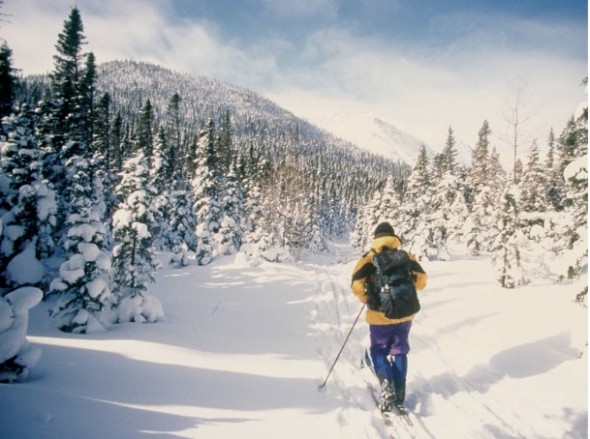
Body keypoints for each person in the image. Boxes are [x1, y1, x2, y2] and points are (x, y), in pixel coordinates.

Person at [351, 221, 427, 410]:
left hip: (380, 316)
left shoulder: (369, 258)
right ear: (394, 238)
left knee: (379, 350)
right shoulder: (406, 256)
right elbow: (422, 279)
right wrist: (404, 294)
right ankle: (399, 392)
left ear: (376, 238)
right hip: (405, 314)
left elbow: (356, 284)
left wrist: (368, 298)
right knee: (400, 351)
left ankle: (386, 383)